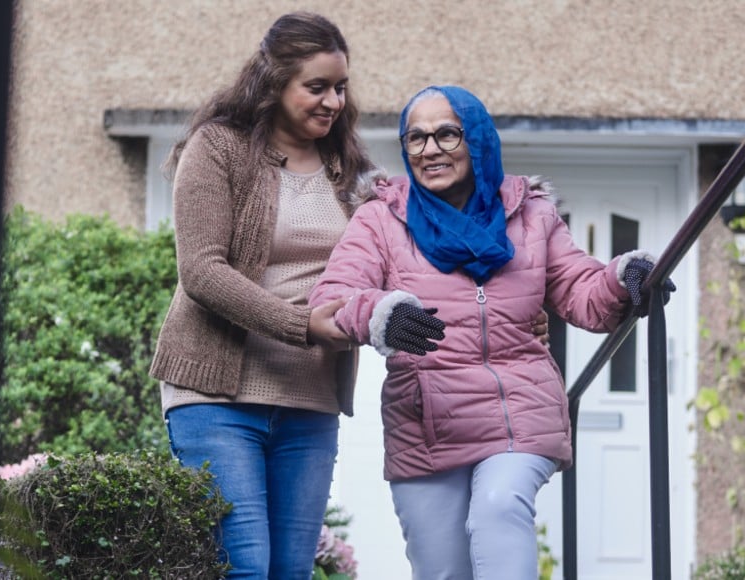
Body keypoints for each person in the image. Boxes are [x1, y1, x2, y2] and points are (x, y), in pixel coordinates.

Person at [147, 17, 550, 576]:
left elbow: (418, 264)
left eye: (340, 87)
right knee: (243, 567)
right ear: (272, 81)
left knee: (290, 570)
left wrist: (516, 313)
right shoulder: (219, 149)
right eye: (317, 87)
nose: (334, 100)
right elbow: (202, 271)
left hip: (308, 399)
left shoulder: (354, 174)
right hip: (216, 396)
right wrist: (305, 324)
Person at [308, 85, 675, 579]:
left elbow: (582, 292)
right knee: (443, 572)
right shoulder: (381, 220)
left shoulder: (532, 215)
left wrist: (628, 276)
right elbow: (334, 298)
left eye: (446, 134)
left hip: (518, 416)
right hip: (428, 426)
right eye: (415, 138)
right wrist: (379, 313)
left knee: (500, 506)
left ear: (477, 139)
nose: (429, 149)